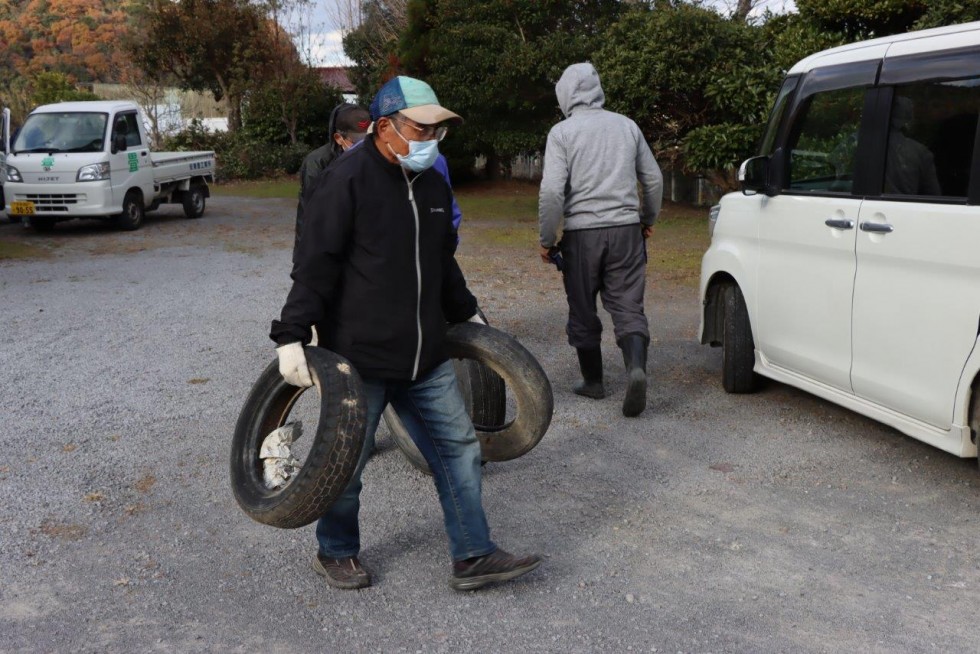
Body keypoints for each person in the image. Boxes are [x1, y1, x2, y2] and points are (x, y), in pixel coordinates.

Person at [271, 75, 541, 591]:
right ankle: (336, 550)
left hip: (425, 355)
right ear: (385, 127)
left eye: (439, 131)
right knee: (345, 466)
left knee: (459, 448)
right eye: (422, 129)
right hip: (358, 357)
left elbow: (441, 262)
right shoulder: (345, 181)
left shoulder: (435, 184)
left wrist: (469, 314)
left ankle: (473, 555)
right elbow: (314, 262)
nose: (431, 141)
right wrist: (290, 334)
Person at [538, 62, 663, 418]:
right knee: (627, 305)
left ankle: (593, 382)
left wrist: (547, 239)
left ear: (565, 95)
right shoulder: (627, 126)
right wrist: (647, 219)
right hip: (626, 231)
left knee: (583, 307)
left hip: (581, 236)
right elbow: (653, 180)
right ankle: (635, 369)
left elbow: (551, 192)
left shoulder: (562, 133)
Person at [293, 103, 371, 262]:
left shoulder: (373, 159)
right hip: (319, 246)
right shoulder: (317, 162)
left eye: (368, 138)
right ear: (339, 138)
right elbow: (315, 212)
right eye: (356, 141)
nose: (363, 146)